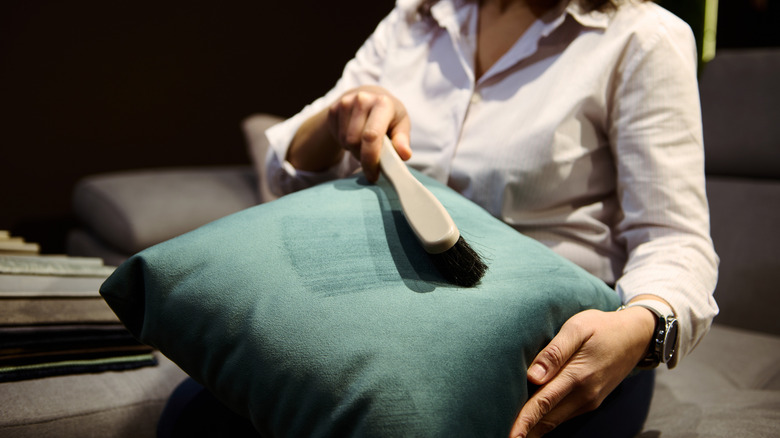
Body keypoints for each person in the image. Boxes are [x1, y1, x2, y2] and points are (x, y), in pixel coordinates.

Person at [261, 0, 718, 436]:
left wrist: (642, 326)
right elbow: (287, 176)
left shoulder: (644, 38)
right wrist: (339, 116)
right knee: (196, 409)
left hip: (556, 356)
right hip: (394, 324)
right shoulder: (415, 20)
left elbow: (675, 239)